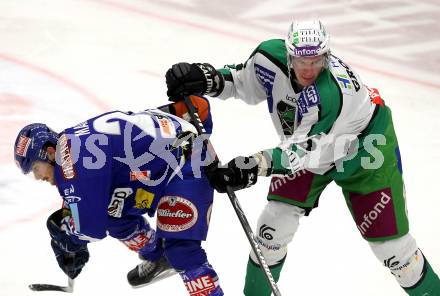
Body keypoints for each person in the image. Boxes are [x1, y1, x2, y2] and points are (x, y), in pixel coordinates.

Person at [165, 20, 440, 295]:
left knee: (396, 254)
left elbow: (300, 154)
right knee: (270, 232)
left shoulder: (330, 94)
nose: (309, 69)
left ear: (327, 56)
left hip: (365, 152)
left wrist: (249, 167)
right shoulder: (269, 58)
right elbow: (241, 82)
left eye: (317, 60)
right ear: (288, 55)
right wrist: (205, 78)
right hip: (307, 148)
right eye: (301, 60)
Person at [13, 95, 224, 296]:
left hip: (189, 160)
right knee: (112, 214)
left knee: (181, 249)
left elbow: (91, 229)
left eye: (35, 168)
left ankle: (176, 259)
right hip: (161, 163)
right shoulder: (70, 145)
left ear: (50, 153)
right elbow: (86, 201)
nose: (38, 177)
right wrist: (70, 229)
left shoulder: (69, 165)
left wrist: (70, 239)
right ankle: (159, 256)